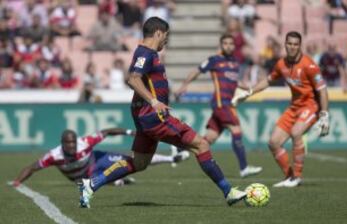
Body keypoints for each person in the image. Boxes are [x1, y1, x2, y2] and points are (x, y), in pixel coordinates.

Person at [78, 17, 247, 208]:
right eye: (166, 35)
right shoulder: (145, 52)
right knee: (201, 145)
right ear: (158, 32)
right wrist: (153, 101)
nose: (166, 40)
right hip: (154, 116)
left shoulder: (147, 53)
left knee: (139, 163)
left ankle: (91, 184)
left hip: (146, 117)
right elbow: (133, 79)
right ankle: (229, 191)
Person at [233, 31, 330, 187]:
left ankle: (297, 177)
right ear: (285, 44)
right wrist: (250, 92)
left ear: (300, 46)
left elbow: (323, 90)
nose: (292, 47)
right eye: (289, 43)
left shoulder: (309, 65)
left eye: (295, 44)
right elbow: (268, 80)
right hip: (294, 107)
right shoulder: (281, 64)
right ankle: (289, 177)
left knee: (296, 132)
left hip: (311, 106)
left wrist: (324, 114)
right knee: (273, 142)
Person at [174, 34, 262, 178]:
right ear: (221, 45)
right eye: (225, 43)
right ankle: (244, 168)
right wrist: (185, 85)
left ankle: (180, 147)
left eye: (231, 43)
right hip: (222, 104)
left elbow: (234, 81)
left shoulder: (235, 62)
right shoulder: (214, 60)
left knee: (209, 139)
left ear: (234, 46)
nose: (228, 46)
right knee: (236, 130)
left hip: (227, 104)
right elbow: (197, 71)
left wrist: (246, 88)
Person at [12, 128, 188, 187]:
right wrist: (17, 182)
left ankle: (172, 159)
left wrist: (130, 132)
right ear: (62, 144)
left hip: (96, 158)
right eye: (68, 144)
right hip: (82, 176)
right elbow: (32, 167)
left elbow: (108, 131)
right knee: (96, 182)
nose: (72, 146)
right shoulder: (54, 156)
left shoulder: (85, 142)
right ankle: (118, 181)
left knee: (131, 160)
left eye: (73, 142)